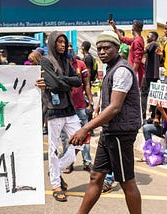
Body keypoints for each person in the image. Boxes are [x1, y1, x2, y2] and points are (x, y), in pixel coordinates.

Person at [70, 31, 142, 214]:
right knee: (96, 176)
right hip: (110, 130)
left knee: (126, 181)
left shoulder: (122, 70)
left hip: (121, 132)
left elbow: (116, 107)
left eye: (106, 47)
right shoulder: (111, 68)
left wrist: (85, 128)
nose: (102, 51)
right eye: (99, 48)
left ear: (117, 48)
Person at [40, 31, 82, 202]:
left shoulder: (66, 61)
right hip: (53, 108)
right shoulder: (45, 61)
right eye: (59, 42)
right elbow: (54, 85)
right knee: (53, 149)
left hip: (69, 109)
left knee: (81, 139)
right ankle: (56, 184)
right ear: (52, 43)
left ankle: (56, 169)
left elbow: (78, 81)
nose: (63, 45)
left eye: (64, 42)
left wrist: (62, 79)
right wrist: (65, 82)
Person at [61, 43, 94, 173]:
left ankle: (87, 162)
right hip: (65, 107)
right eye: (67, 49)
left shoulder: (81, 65)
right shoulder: (60, 65)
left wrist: (90, 103)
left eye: (71, 49)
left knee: (85, 135)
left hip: (80, 106)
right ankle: (69, 163)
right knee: (66, 138)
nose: (69, 50)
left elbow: (87, 84)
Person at [110, 19, 145, 88]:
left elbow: (137, 59)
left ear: (134, 27)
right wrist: (114, 27)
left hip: (135, 72)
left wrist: (133, 73)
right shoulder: (136, 39)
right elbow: (123, 39)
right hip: (133, 71)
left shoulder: (137, 41)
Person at [141, 31, 160, 124]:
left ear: (153, 38)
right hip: (154, 74)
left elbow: (143, 51)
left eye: (148, 36)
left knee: (144, 95)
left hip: (149, 74)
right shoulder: (157, 45)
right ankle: (153, 116)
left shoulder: (153, 44)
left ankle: (143, 116)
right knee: (153, 95)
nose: (147, 38)